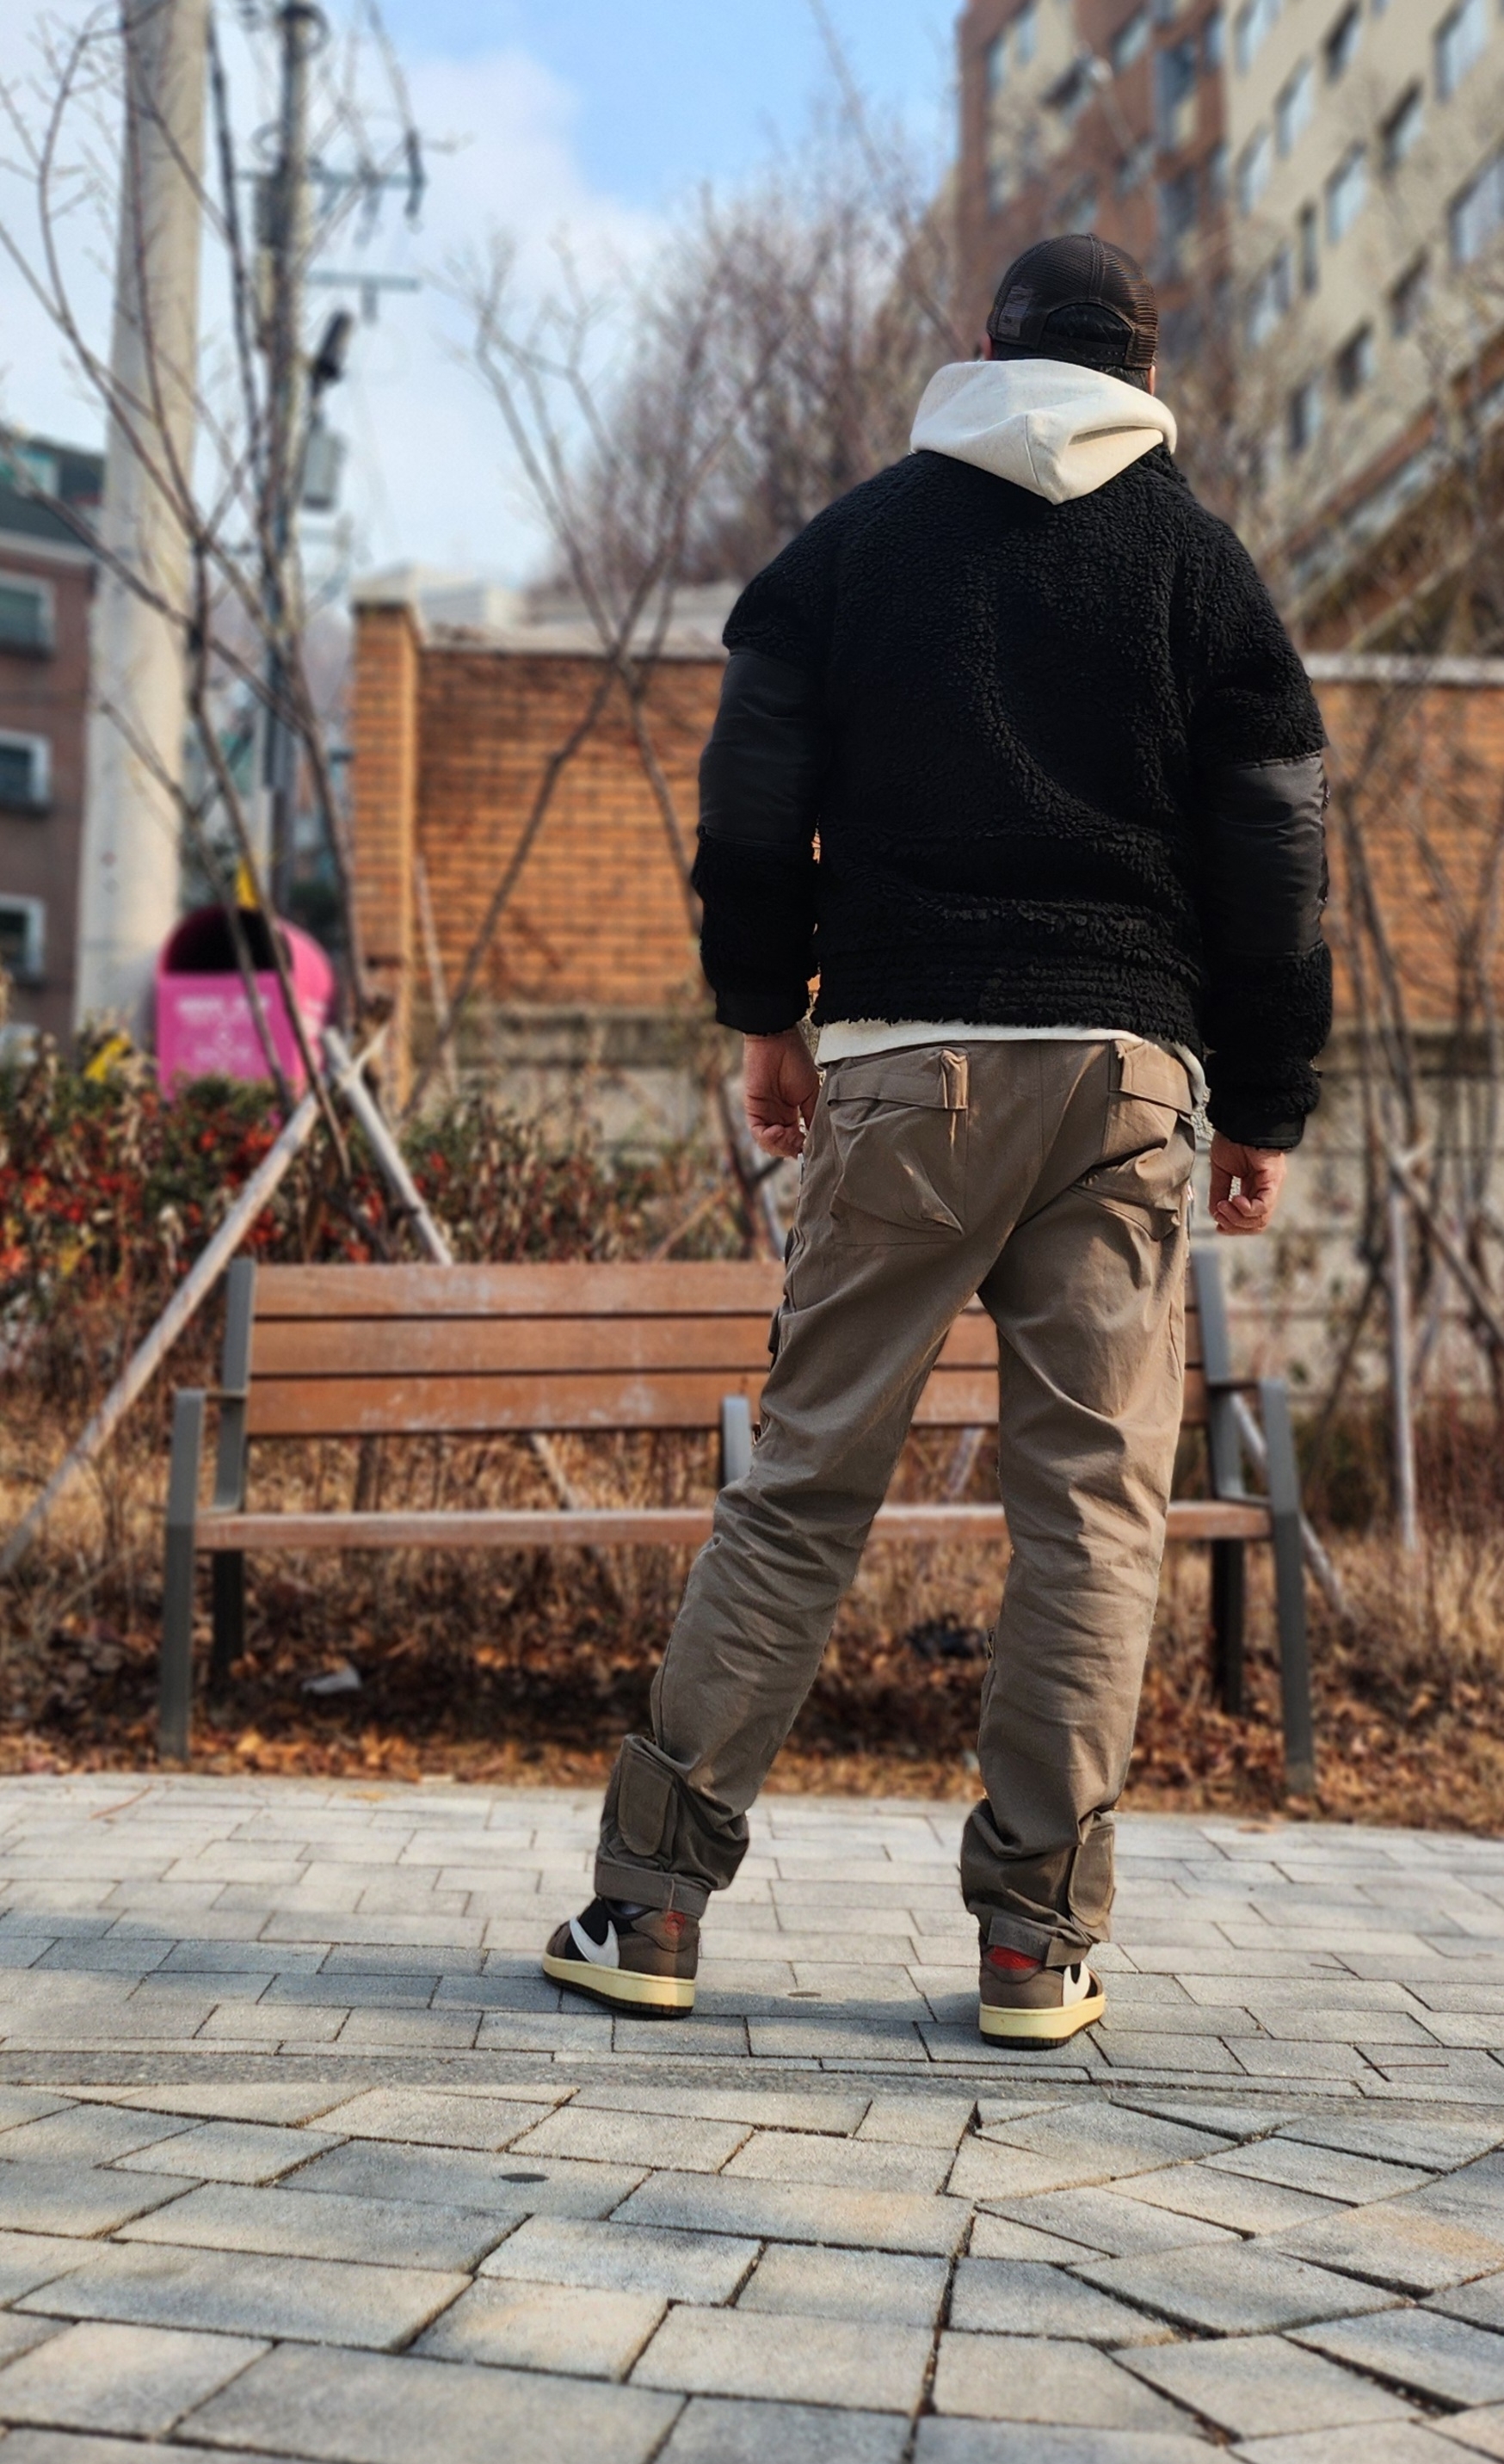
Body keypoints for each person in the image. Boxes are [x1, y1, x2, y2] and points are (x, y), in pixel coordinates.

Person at [543, 232, 1329, 2046]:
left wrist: (766, 1012)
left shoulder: (857, 546)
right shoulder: (1201, 568)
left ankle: (647, 1910)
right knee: (1093, 1513)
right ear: (1147, 374)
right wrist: (1267, 1094)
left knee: (804, 1483)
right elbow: (1275, 847)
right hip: (1128, 1075)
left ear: (987, 348)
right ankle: (1038, 1945)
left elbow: (754, 799)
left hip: (904, 1064)